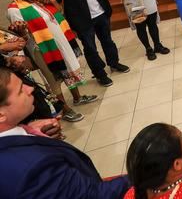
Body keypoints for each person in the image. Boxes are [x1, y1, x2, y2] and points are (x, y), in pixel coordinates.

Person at [0, 67, 131, 198]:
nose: (31, 89)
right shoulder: (31, 167)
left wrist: (27, 129)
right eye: (20, 90)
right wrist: (143, 177)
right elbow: (91, 195)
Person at [4, 0, 98, 121]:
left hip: (59, 41)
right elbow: (24, 37)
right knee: (54, 79)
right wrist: (21, 31)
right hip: (42, 49)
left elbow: (58, 14)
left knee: (67, 69)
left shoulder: (37, 0)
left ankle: (78, 98)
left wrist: (52, 1)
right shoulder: (15, 9)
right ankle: (65, 109)